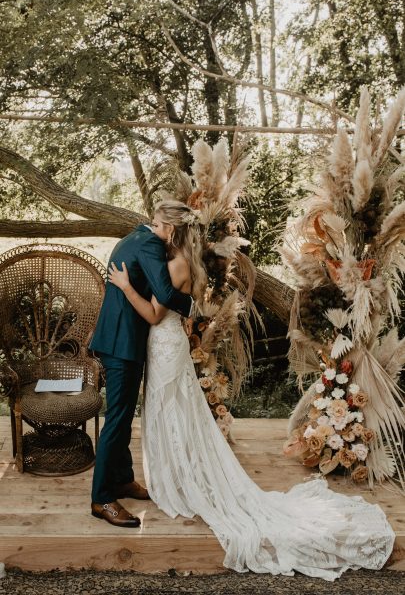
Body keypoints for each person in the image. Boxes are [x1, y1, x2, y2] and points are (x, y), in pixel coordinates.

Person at [108, 199, 395, 580]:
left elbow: (153, 314)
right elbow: (185, 306)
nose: (155, 233)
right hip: (170, 345)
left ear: (173, 231)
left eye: (161, 227)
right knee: (176, 410)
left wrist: (127, 287)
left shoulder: (172, 264)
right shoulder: (190, 265)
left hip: (163, 345)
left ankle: (178, 479)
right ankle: (177, 474)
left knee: (167, 411)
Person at [89, 206, 193, 527]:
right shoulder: (150, 245)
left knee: (122, 416)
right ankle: (102, 498)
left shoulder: (133, 237)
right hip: (122, 343)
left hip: (120, 340)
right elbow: (163, 292)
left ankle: (122, 479)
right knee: (118, 420)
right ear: (172, 230)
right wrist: (192, 306)